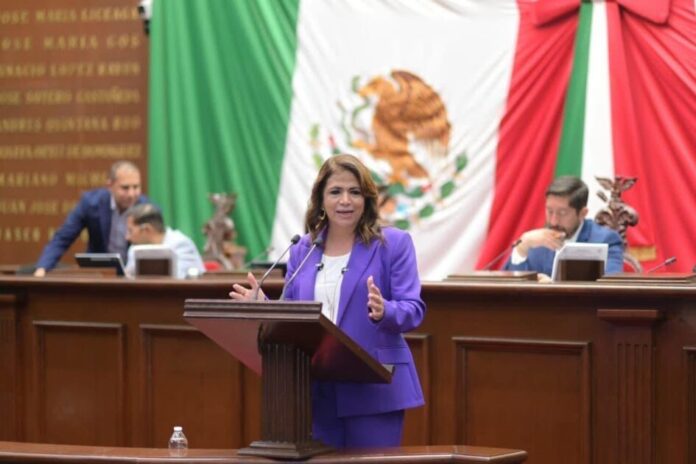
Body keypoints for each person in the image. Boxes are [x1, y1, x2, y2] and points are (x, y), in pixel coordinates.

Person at [230, 154, 425, 448]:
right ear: (321, 199)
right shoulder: (303, 249)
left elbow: (414, 309)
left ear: (366, 199)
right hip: (317, 389)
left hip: (374, 388)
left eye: (354, 192)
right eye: (335, 192)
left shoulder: (393, 243)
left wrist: (385, 310)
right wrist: (264, 306)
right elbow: (293, 314)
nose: (345, 200)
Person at [34, 161, 148, 276]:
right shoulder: (91, 203)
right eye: (125, 188)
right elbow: (63, 238)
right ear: (109, 186)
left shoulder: (147, 209)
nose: (131, 194)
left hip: (133, 275)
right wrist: (42, 268)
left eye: (136, 187)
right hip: (98, 274)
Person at [503, 175, 624, 279]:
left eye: (562, 213)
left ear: (582, 213)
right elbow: (508, 287)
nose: (554, 221)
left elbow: (609, 286)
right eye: (550, 211)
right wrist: (521, 248)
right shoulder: (536, 242)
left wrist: (551, 287)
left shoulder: (605, 241)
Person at [124, 203, 205, 279]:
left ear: (147, 230)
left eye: (130, 231)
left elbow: (179, 280)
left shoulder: (182, 245)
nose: (127, 237)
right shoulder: (135, 249)